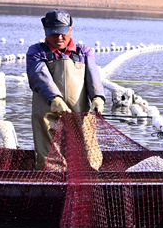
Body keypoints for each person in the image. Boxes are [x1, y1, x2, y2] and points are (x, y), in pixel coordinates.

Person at [26, 9, 105, 170]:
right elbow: (39, 75)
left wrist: (98, 97)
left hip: (80, 114)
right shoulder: (36, 52)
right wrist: (55, 98)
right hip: (47, 114)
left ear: (71, 29)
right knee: (50, 161)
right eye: (54, 33)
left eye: (63, 32)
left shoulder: (83, 52)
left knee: (87, 157)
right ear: (45, 32)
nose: (59, 37)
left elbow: (93, 77)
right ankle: (51, 182)